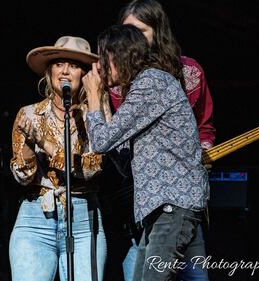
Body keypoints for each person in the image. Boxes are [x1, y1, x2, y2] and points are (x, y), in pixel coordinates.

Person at [83, 24, 210, 280]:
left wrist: (94, 98)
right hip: (162, 209)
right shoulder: (145, 85)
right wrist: (104, 112)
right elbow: (125, 163)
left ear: (117, 55)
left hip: (172, 206)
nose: (98, 67)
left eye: (101, 57)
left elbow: (100, 142)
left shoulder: (152, 82)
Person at [9, 36, 108, 281]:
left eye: (73, 65)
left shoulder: (96, 115)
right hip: (35, 217)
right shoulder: (29, 114)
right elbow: (23, 177)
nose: (64, 71)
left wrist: (47, 145)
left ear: (85, 74)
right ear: (49, 70)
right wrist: (29, 148)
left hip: (84, 218)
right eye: (59, 64)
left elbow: (91, 168)